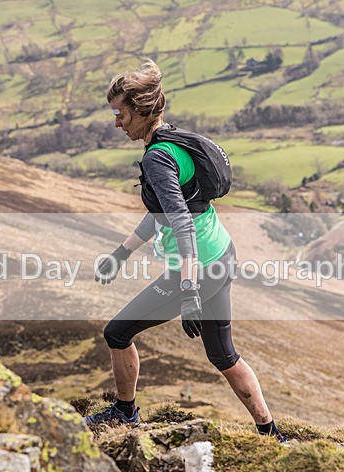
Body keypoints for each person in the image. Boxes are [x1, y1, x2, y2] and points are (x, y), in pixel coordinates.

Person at [86, 59, 285, 441]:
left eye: (120, 114)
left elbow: (180, 223)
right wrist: (121, 253)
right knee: (223, 355)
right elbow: (163, 212)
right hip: (222, 254)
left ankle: (125, 414)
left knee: (117, 333)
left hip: (196, 269)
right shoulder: (174, 141)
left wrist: (190, 290)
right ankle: (270, 433)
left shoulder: (157, 158)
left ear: (140, 111)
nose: (117, 123)